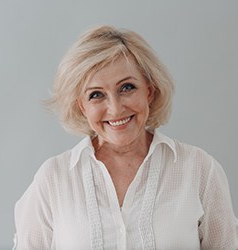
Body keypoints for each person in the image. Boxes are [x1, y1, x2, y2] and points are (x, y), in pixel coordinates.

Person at [13, 25, 238, 250]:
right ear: (81, 106)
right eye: (96, 95)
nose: (115, 108)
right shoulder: (53, 178)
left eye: (127, 87)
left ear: (149, 91)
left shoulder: (199, 170)